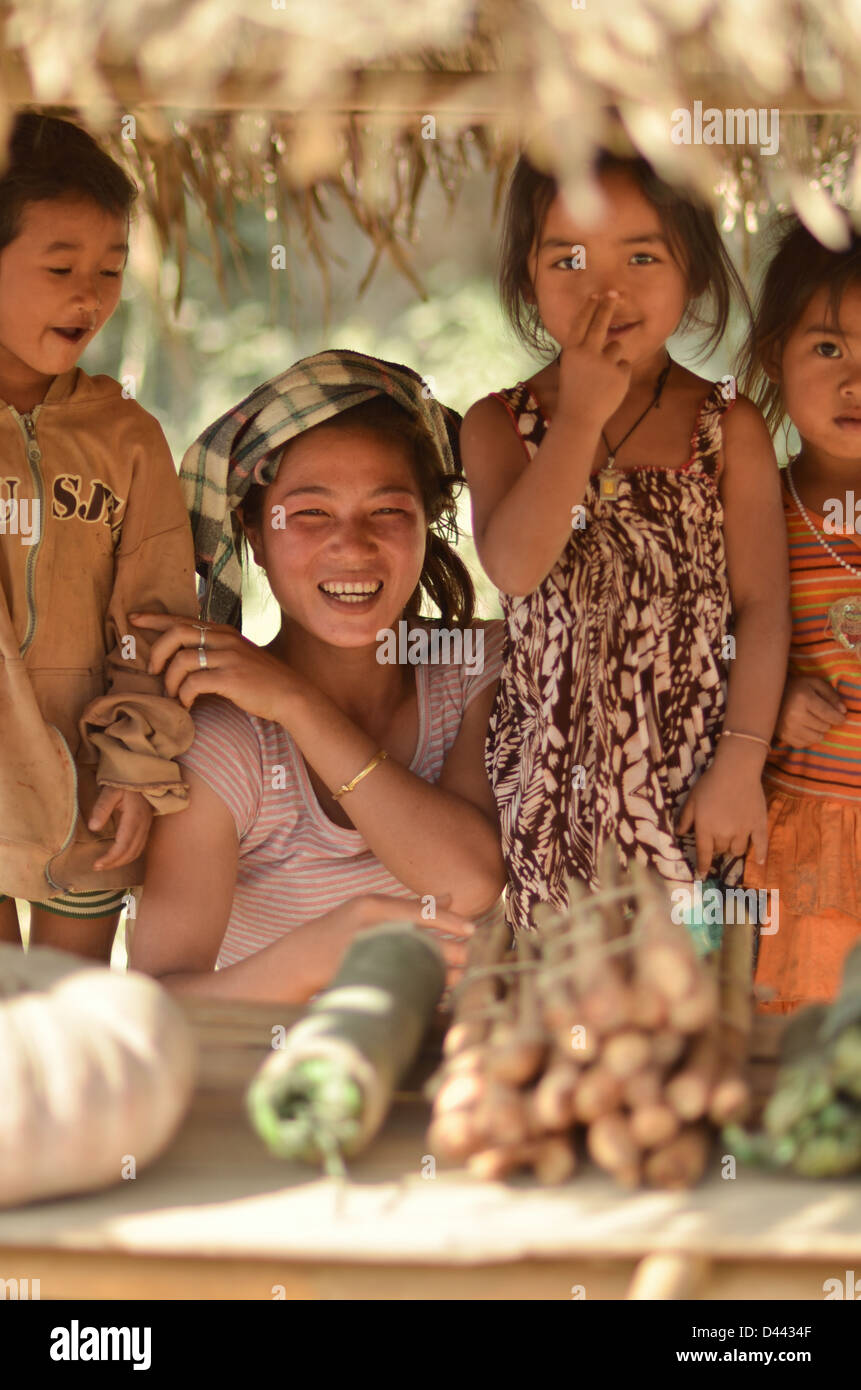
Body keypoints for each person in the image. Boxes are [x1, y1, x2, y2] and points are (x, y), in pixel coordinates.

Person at [460, 147, 792, 936]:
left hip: (694, 783)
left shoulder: (727, 429)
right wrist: (576, 420)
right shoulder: (499, 424)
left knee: (685, 1008)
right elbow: (514, 565)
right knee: (567, 1011)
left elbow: (761, 606)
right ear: (526, 277)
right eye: (566, 258)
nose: (605, 289)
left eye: (642, 255)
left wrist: (740, 763)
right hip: (549, 793)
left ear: (695, 272)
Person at [128, 351, 506, 1001]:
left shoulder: (475, 668)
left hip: (469, 1089)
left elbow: (468, 880)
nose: (352, 546)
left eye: (386, 511)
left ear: (428, 519)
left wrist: (299, 704)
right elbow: (151, 1001)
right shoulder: (224, 740)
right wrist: (310, 959)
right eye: (309, 514)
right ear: (254, 528)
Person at [0, 113, 198, 960]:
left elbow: (155, 616)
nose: (91, 295)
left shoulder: (128, 436)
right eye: (60, 267)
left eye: (112, 270)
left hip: (88, 788)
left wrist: (134, 764)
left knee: (60, 1024)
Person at [738, 216, 861, 1013]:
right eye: (828, 348)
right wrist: (768, 698)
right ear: (772, 356)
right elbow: (701, 645)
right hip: (802, 841)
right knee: (803, 1052)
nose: (855, 381)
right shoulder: (756, 514)